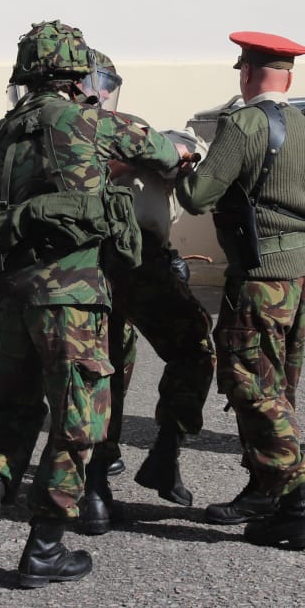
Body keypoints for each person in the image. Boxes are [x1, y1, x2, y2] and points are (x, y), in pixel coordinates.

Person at [0, 21, 183, 588]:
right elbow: (163, 150)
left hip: (10, 295)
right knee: (78, 419)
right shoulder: (92, 120)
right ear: (78, 74)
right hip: (72, 296)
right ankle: (45, 546)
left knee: (10, 410)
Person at [176, 31, 305, 550]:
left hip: (259, 276)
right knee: (278, 385)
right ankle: (264, 488)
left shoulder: (242, 125)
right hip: (297, 275)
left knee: (251, 386)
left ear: (246, 72)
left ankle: (294, 503)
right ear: (290, 75)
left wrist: (185, 164)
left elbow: (198, 198)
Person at [76, 50, 215, 533]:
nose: (100, 90)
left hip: (138, 262)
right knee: (101, 371)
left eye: (107, 81)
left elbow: (179, 147)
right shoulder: (67, 136)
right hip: (97, 264)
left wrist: (167, 150)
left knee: (191, 349)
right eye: (90, 80)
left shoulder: (133, 132)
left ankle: (163, 453)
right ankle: (94, 485)